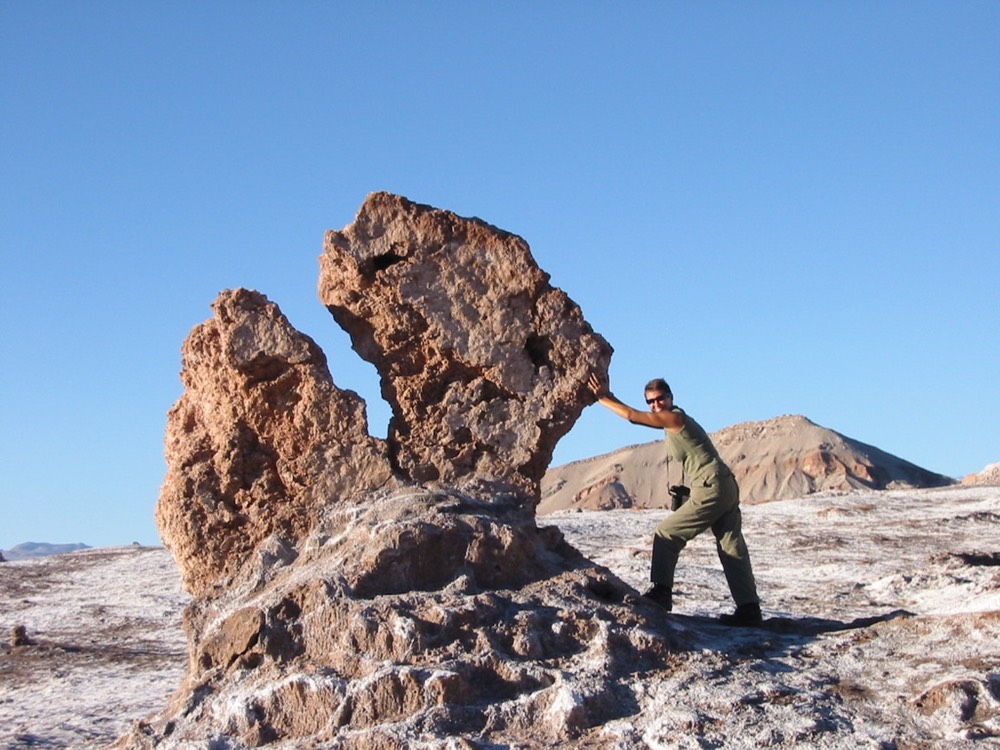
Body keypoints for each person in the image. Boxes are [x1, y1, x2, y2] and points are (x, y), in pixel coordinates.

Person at [587, 373, 762, 627]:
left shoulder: (674, 417)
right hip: (723, 484)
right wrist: (609, 395)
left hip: (712, 485)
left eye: (660, 399)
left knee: (666, 534)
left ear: (670, 398)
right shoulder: (675, 421)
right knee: (731, 546)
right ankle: (749, 609)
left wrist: (601, 397)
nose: (656, 405)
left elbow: (632, 417)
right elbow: (636, 413)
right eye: (651, 401)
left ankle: (661, 593)